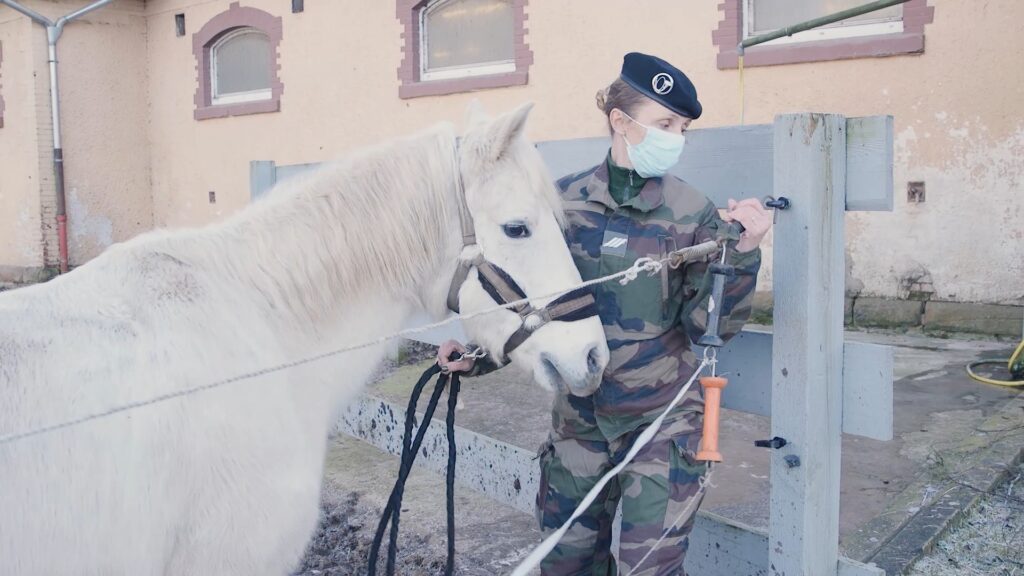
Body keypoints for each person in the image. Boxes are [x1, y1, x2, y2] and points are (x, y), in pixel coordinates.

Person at [439, 52, 771, 575]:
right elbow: (528, 299)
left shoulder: (692, 212)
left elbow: (710, 329)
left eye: (681, 128)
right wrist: (478, 355)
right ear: (621, 121)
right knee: (568, 565)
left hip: (660, 424)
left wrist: (744, 253)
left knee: (649, 569)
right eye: (665, 124)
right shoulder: (561, 202)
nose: (675, 137)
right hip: (579, 425)